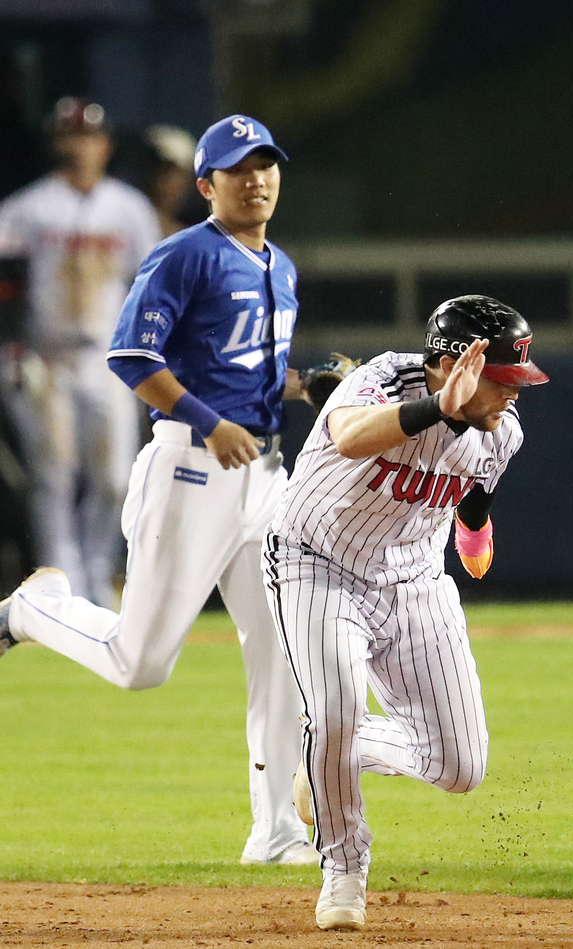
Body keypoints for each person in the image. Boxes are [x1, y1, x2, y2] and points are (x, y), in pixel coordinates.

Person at [0, 114, 316, 866]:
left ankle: (275, 830)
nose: (258, 178)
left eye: (267, 164)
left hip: (264, 475)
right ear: (207, 184)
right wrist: (209, 423)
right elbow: (131, 353)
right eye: (240, 168)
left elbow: (253, 374)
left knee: (282, 651)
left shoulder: (282, 265)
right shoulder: (184, 255)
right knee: (143, 664)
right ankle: (37, 609)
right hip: (191, 467)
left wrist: (308, 384)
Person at [264, 294, 548, 931]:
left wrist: (475, 538)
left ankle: (329, 754)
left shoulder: (505, 431)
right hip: (317, 561)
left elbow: (474, 497)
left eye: (519, 379)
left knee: (460, 766)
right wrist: (440, 410)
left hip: (416, 578)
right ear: (452, 365)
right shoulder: (386, 378)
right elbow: (348, 434)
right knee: (334, 709)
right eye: (502, 379)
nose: (514, 393)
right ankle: (343, 864)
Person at [0, 97, 161, 607]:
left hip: (108, 359)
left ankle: (94, 577)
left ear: (104, 143)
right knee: (54, 476)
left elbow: (153, 286)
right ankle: (59, 588)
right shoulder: (26, 208)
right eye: (71, 134)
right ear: (57, 141)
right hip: (44, 358)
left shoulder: (128, 208)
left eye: (89, 134)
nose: (81, 144)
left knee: (114, 478)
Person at [142, 124, 200, 239]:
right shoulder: (125, 212)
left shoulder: (193, 238)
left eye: (171, 170)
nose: (163, 177)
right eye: (158, 167)